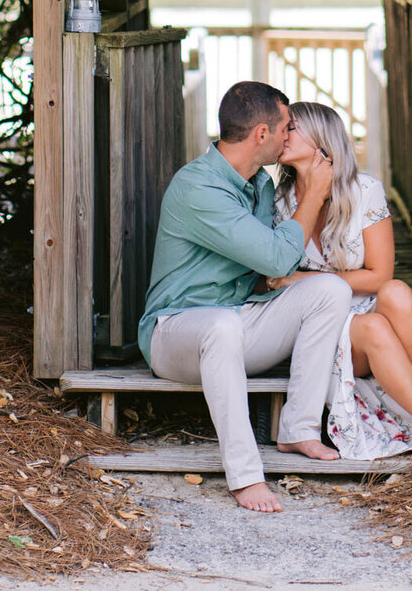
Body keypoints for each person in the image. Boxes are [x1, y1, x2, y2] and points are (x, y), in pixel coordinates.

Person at [139, 80, 353, 513]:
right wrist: (314, 193)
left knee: (331, 289)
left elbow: (276, 265)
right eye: (285, 128)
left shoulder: (257, 184)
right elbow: (277, 258)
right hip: (176, 333)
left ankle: (298, 428)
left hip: (238, 321)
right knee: (220, 326)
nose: (289, 136)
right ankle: (245, 476)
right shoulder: (198, 187)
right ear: (261, 135)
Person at [270, 99, 412, 472]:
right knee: (372, 326)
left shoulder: (364, 190)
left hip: (364, 303)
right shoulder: (280, 202)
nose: (281, 135)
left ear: (322, 140)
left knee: (398, 292)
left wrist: (308, 279)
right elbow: (275, 280)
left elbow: (379, 275)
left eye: (291, 127)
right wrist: (315, 286)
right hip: (321, 325)